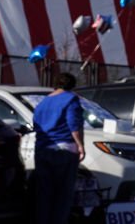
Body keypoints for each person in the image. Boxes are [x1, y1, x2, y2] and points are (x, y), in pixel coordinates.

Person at [32, 72, 85, 224]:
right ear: (72, 86)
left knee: (44, 195)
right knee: (63, 195)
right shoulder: (70, 99)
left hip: (42, 150)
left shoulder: (42, 102)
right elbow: (74, 125)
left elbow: (36, 125)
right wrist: (81, 146)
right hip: (64, 149)